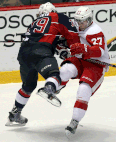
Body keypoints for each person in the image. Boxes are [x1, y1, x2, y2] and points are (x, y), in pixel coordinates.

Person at [37, 6, 110, 138]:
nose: (80, 24)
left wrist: (84, 49)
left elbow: (100, 51)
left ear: (89, 20)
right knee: (65, 69)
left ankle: (74, 121)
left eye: (82, 21)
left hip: (95, 65)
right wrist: (60, 45)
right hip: (80, 60)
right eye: (77, 20)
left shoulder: (95, 31)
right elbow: (65, 38)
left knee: (83, 89)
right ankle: (51, 88)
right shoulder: (75, 26)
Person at [5, 2, 79, 126]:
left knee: (28, 86)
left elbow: (49, 40)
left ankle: (15, 114)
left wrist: (62, 50)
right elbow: (72, 32)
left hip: (23, 54)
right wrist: (75, 47)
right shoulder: (58, 17)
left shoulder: (34, 22)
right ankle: (49, 89)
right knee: (54, 74)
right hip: (41, 51)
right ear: (53, 11)